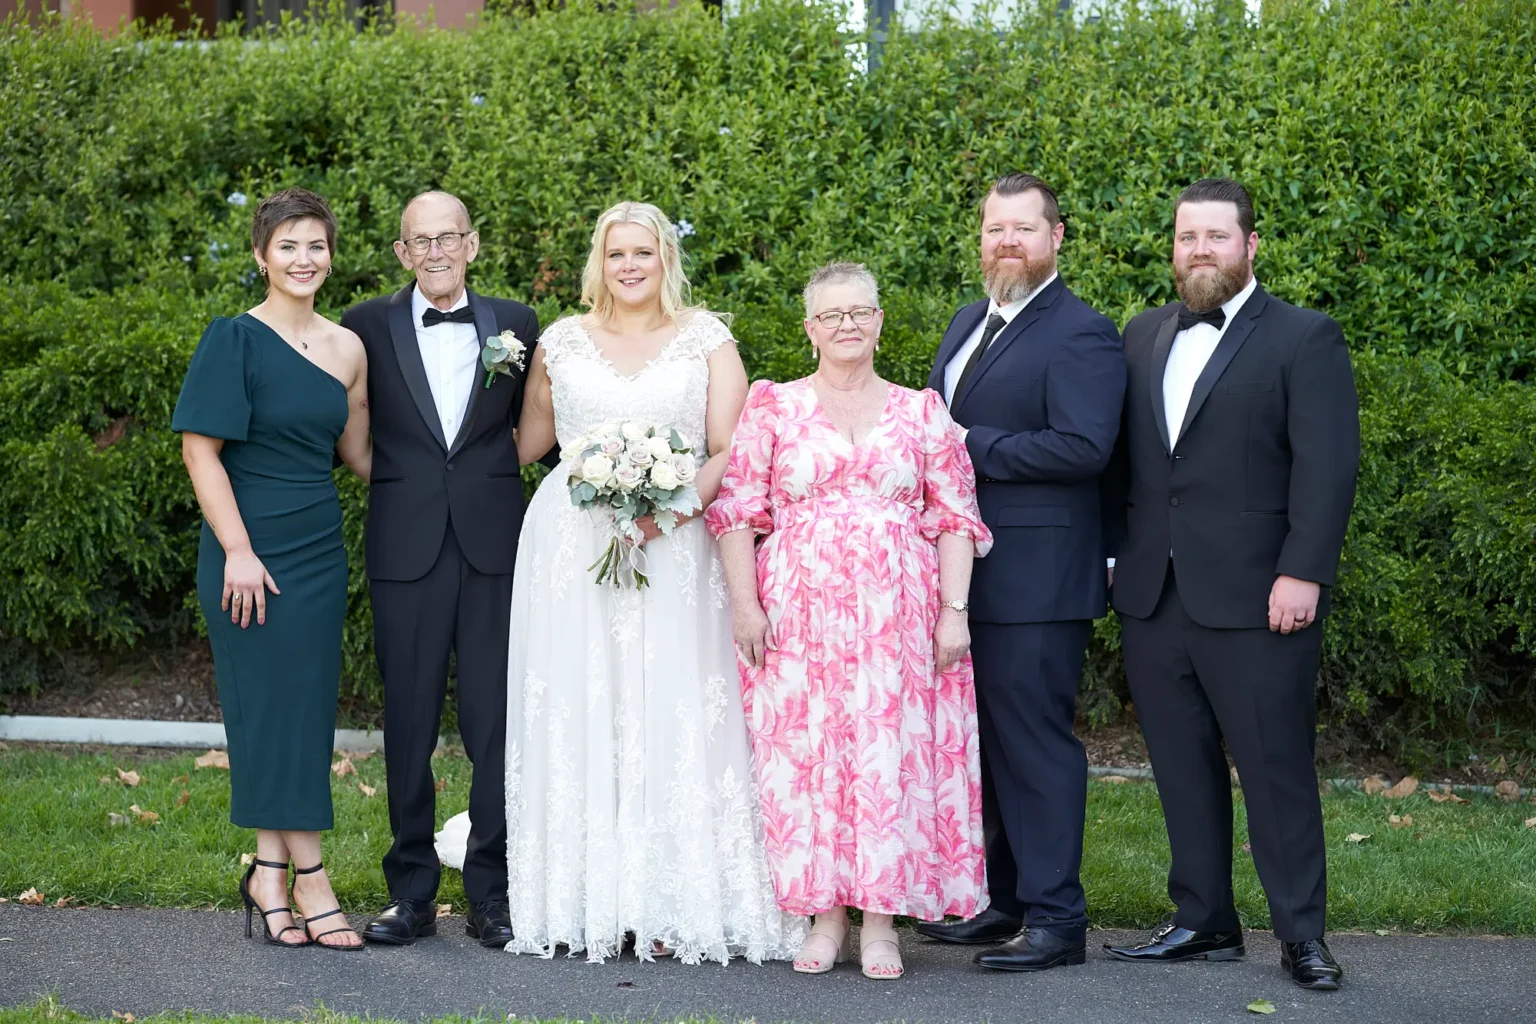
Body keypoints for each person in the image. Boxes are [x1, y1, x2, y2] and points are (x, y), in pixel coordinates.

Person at [439, 200, 802, 965]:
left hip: (675, 546)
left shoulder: (708, 338)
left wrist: (664, 512)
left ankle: (672, 901)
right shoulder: (560, 343)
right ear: (597, 263)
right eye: (615, 254)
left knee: (672, 705)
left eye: (643, 252)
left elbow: (731, 450)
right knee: (582, 703)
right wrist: (459, 395)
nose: (629, 266)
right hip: (569, 546)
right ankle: (582, 896)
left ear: (666, 258)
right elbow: (526, 442)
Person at [1102, 178, 1359, 991]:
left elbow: (1329, 466)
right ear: (1173, 248)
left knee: (1274, 767)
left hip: (1261, 599)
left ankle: (1301, 937)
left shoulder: (1303, 338)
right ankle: (1203, 920)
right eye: (1187, 238)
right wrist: (1115, 559)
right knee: (1180, 766)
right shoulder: (1141, 335)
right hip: (1154, 596)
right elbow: (1127, 466)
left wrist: (1303, 571)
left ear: (1251, 245)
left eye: (1217, 237)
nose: (1200, 250)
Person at [707, 262, 994, 981]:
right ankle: (824, 916)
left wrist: (954, 615)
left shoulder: (922, 410)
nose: (846, 325)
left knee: (887, 756)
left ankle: (881, 923)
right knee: (807, 757)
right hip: (798, 613)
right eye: (831, 315)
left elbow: (956, 516)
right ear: (809, 329)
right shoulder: (773, 406)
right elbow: (737, 509)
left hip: (898, 617)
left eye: (859, 312)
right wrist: (746, 605)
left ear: (879, 322)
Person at [915, 173, 1126, 973]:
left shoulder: (1081, 332)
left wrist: (966, 443)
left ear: (1056, 238)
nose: (1008, 241)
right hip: (968, 574)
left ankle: (1056, 919)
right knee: (986, 748)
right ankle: (1000, 901)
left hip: (1037, 578)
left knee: (1035, 747)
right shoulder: (971, 321)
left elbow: (1083, 448)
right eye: (995, 228)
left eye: (1024, 229)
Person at [338, 191, 542, 949]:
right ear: (401, 252)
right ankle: (412, 893)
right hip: (406, 545)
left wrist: (480, 480)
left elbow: (535, 423)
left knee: (494, 724)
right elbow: (356, 437)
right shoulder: (365, 324)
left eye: (448, 237)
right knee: (410, 722)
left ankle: (493, 892)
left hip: (494, 546)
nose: (435, 251)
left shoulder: (517, 324)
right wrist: (403, 487)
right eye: (420, 241)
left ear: (473, 244)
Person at [173, 187, 371, 950]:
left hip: (317, 551)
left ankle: (266, 871)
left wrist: (453, 468)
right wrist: (239, 552)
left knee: (304, 713)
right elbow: (201, 451)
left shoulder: (349, 349)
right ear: (261, 256)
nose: (303, 259)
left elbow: (360, 457)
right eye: (287, 245)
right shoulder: (233, 339)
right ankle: (311, 879)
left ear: (331, 255)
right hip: (244, 554)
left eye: (315, 244)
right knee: (264, 715)